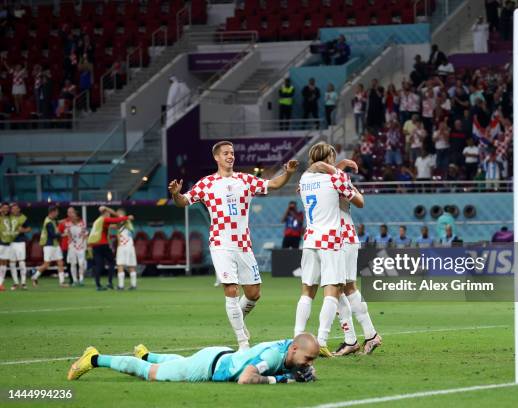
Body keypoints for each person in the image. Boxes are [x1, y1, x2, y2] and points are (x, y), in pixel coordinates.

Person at [168, 141, 299, 350]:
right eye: (226, 153)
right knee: (231, 289)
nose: (231, 156)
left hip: (243, 244)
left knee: (254, 294)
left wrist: (289, 173)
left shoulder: (244, 180)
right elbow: (184, 201)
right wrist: (176, 193)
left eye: (232, 153)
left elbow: (272, 185)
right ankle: (242, 342)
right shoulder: (206, 183)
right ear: (217, 158)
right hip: (220, 242)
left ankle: (238, 320)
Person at [294, 142, 364, 357]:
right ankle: (322, 341)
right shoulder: (335, 178)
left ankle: (297, 338)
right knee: (332, 290)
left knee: (307, 291)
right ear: (330, 158)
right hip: (331, 239)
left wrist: (335, 166)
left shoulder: (304, 179)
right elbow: (360, 202)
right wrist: (338, 170)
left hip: (310, 239)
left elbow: (313, 171)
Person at [309, 158, 381, 356]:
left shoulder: (335, 180)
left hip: (341, 237)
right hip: (338, 237)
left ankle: (366, 335)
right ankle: (358, 338)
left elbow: (360, 201)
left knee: (341, 287)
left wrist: (341, 173)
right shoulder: (322, 181)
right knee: (344, 288)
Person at [67, 333, 319, 384]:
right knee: (149, 373)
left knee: (180, 362)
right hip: (207, 367)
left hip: (218, 355)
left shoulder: (288, 348)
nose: (309, 363)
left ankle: (146, 353)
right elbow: (246, 378)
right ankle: (94, 359)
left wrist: (298, 371)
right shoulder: (275, 354)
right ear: (294, 349)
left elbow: (286, 365)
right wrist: (286, 380)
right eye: (308, 358)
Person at [87, 206, 132, 291]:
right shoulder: (104, 219)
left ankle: (98, 285)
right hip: (102, 244)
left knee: (99, 265)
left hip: (95, 245)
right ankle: (110, 283)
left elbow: (113, 225)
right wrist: (127, 217)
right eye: (108, 214)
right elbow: (116, 220)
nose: (110, 216)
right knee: (112, 262)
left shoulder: (97, 221)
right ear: (105, 213)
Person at [32, 206, 68, 287]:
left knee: (60, 262)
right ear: (52, 212)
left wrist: (65, 220)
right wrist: (63, 234)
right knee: (46, 265)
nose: (57, 213)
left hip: (55, 245)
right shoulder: (48, 222)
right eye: (57, 212)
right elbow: (53, 235)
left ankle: (62, 282)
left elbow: (57, 222)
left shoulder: (52, 220)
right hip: (49, 245)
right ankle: (34, 277)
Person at [8, 203, 30, 289]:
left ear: (19, 209)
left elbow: (29, 228)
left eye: (15, 208)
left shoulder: (23, 218)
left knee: (21, 262)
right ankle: (15, 283)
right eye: (12, 209)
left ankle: (23, 282)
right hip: (10, 242)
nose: (14, 210)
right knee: (12, 263)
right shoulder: (8, 217)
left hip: (20, 242)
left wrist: (23, 230)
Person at [115, 208, 138, 290]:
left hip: (123, 246)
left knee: (120, 265)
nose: (116, 215)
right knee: (131, 265)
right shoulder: (126, 222)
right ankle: (133, 284)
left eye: (117, 213)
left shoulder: (124, 221)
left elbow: (128, 219)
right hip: (130, 246)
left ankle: (121, 286)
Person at [64, 207, 87, 287]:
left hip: (80, 246)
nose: (72, 217)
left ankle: (81, 279)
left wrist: (82, 244)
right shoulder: (67, 224)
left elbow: (84, 234)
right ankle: (74, 280)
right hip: (72, 247)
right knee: (73, 264)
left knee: (81, 263)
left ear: (77, 217)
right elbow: (68, 235)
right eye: (71, 215)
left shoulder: (82, 223)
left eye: (73, 215)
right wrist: (71, 243)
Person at [0, 203, 13, 291]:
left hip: (7, 243)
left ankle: (1, 283)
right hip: (0, 243)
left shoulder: (9, 218)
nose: (6, 209)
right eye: (4, 208)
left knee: (4, 263)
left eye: (7, 208)